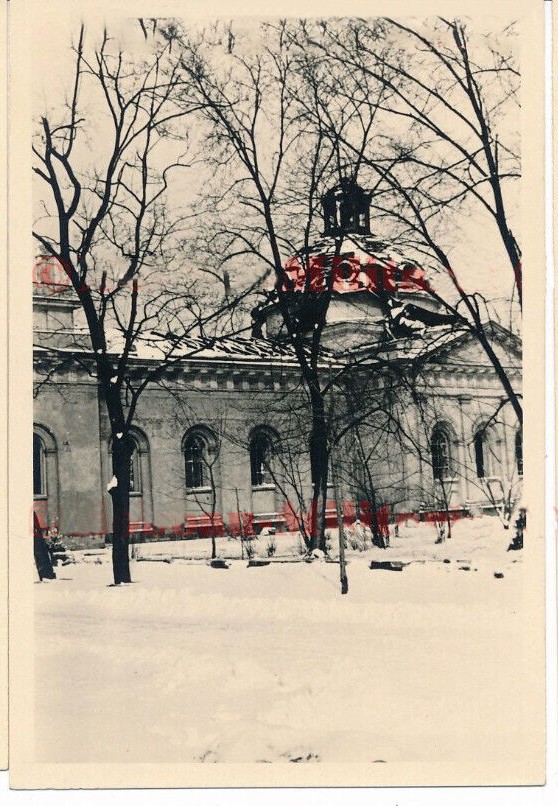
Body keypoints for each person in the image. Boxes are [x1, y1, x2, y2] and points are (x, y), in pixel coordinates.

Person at [33, 511, 56, 581]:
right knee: (41, 553)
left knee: (41, 554)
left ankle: (47, 574)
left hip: (36, 535)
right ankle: (47, 574)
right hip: (36, 535)